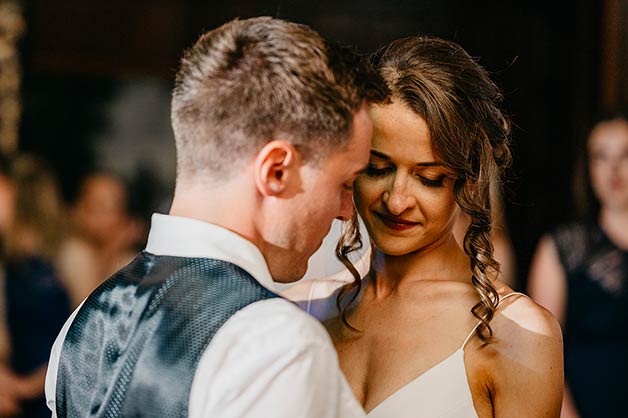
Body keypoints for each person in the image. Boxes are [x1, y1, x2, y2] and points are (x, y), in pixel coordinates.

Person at [45, 16, 387, 418]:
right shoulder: (273, 346)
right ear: (276, 171)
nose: (348, 210)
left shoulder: (85, 321)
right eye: (345, 183)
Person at [296, 36, 563, 417]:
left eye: (429, 178)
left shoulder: (514, 334)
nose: (397, 200)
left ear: (467, 179)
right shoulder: (303, 309)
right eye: (378, 169)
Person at [528, 109, 628, 418]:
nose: (614, 170)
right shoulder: (563, 247)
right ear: (587, 167)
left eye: (626, 155)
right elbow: (539, 357)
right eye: (600, 157)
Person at [0, 155, 71, 418]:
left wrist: (30, 386)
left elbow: (92, 334)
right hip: (15, 399)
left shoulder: (68, 255)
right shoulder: (9, 263)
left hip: (58, 396)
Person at [56, 173, 142, 307]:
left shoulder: (131, 260)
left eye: (109, 208)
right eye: (93, 206)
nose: (98, 216)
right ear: (78, 210)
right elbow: (87, 313)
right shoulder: (75, 252)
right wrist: (112, 250)